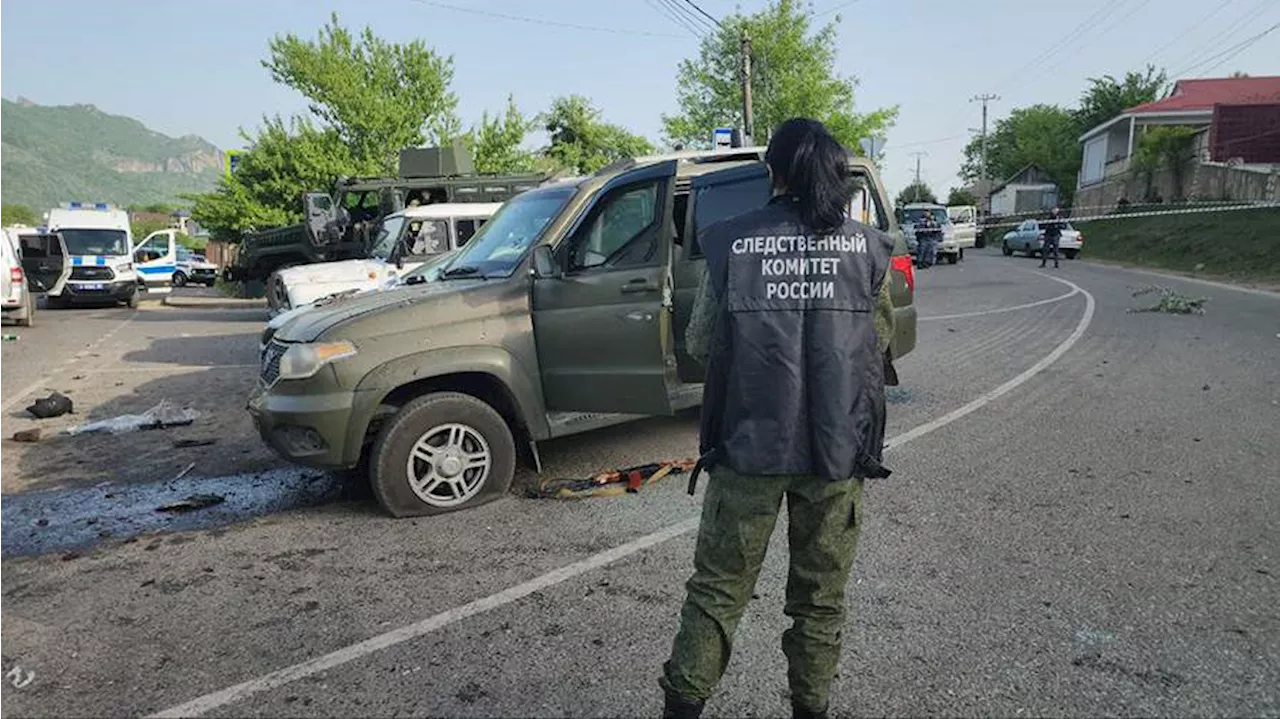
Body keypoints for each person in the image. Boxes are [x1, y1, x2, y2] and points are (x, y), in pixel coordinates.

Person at [661, 118, 897, 719]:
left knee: (717, 593)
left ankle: (684, 707)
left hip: (748, 447)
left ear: (775, 171)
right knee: (820, 601)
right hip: (836, 451)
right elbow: (880, 340)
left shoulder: (733, 242)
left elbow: (700, 340)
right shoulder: (867, 249)